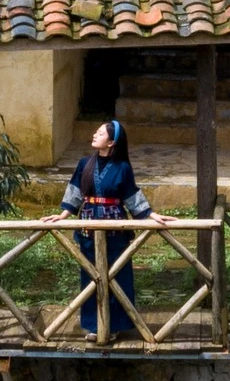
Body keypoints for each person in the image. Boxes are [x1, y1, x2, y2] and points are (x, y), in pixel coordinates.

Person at [46, 120, 168, 335]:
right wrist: (62, 215)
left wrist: (151, 215)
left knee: (116, 275)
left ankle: (115, 326)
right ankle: (94, 326)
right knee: (90, 275)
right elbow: (74, 192)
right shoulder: (85, 164)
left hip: (115, 228)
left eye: (100, 133)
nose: (94, 134)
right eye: (96, 131)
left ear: (111, 142)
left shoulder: (123, 168)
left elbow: (132, 197)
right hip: (87, 226)